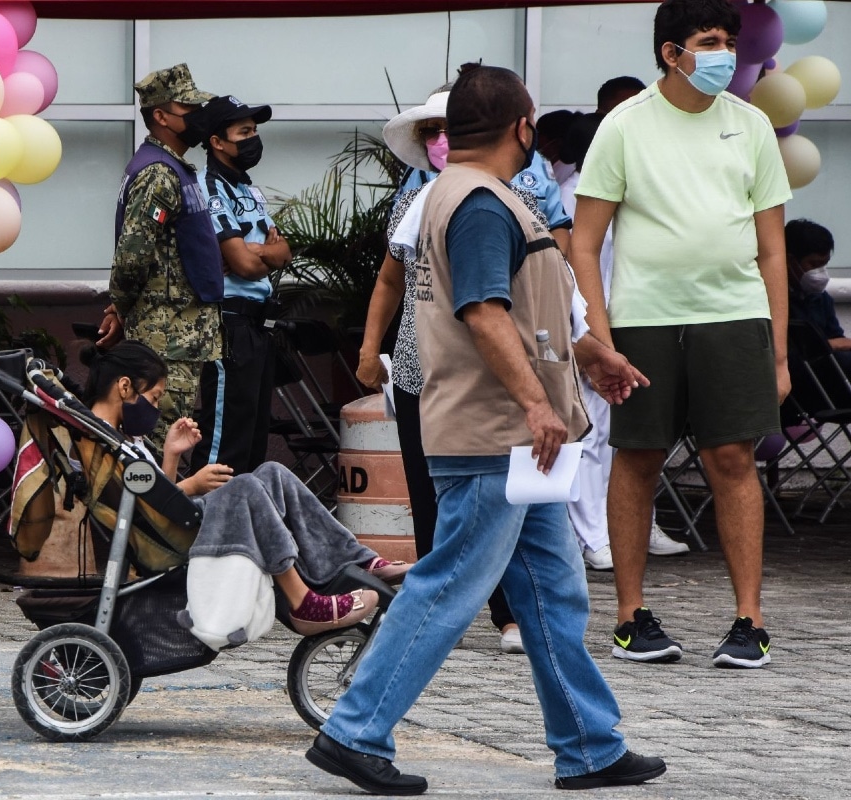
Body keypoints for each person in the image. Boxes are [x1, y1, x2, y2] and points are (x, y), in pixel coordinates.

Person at [306, 63, 664, 795]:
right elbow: (483, 311)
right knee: (450, 584)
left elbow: (527, 306)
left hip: (511, 441)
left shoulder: (462, 196)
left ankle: (590, 746)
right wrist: (537, 402)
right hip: (492, 435)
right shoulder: (477, 203)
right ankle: (354, 731)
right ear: (523, 128)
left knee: (554, 594)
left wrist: (589, 353)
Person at [571, 0, 792, 669]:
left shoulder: (751, 125)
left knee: (733, 461)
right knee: (638, 458)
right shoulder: (625, 126)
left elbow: (774, 251)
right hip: (643, 320)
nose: (724, 53)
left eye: (730, 41)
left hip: (734, 317)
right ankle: (631, 617)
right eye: (710, 41)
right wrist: (599, 337)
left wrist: (779, 351)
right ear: (671, 53)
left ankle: (749, 621)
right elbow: (584, 244)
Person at [82, 341, 409, 635]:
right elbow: (139, 512)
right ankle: (302, 602)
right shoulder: (98, 444)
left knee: (273, 472)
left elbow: (149, 496)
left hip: (170, 521)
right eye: (153, 398)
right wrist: (192, 484)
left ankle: (358, 560)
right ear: (125, 386)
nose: (154, 409)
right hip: (167, 537)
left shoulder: (121, 438)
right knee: (247, 487)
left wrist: (171, 455)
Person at [359, 85, 526, 656]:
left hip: (487, 374)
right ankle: (433, 615)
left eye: (448, 128)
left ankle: (509, 614)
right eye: (430, 132)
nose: (440, 141)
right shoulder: (412, 204)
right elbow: (389, 280)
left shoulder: (512, 197)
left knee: (501, 500)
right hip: (416, 370)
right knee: (429, 497)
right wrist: (367, 348)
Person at [558, 114, 690, 571]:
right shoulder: (570, 197)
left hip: (632, 322)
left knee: (624, 439)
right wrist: (593, 338)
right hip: (591, 329)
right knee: (593, 436)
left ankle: (625, 525)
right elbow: (577, 269)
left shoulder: (632, 192)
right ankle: (592, 534)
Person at [99, 63, 223, 459]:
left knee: (169, 441)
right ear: (161, 116)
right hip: (166, 338)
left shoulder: (171, 168)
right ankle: (147, 522)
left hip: (177, 335)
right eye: (189, 109)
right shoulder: (158, 173)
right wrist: (121, 303)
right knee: (160, 444)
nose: (198, 116)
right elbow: (131, 258)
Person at [191, 95, 291, 475]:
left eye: (254, 131)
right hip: (228, 324)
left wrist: (261, 252)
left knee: (253, 442)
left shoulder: (249, 190)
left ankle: (244, 529)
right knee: (224, 443)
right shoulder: (208, 187)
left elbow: (284, 252)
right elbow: (244, 264)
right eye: (244, 132)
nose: (253, 138)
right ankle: (208, 528)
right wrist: (261, 253)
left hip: (258, 327)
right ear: (217, 142)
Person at [785, 220, 849, 371]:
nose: (820, 272)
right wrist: (831, 345)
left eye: (824, 264)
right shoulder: (774, 301)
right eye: (814, 265)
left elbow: (838, 339)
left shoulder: (821, 298)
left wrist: (835, 344)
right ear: (789, 261)